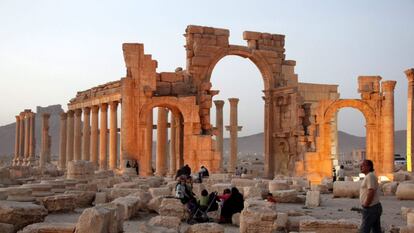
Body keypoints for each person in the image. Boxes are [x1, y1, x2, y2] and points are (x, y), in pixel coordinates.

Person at [359, 159, 382, 233]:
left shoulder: (370, 176)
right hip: (374, 207)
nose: (361, 166)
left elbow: (371, 191)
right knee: (376, 230)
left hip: (371, 208)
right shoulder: (369, 176)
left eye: (363, 165)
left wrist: (366, 204)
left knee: (364, 230)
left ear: (369, 167)